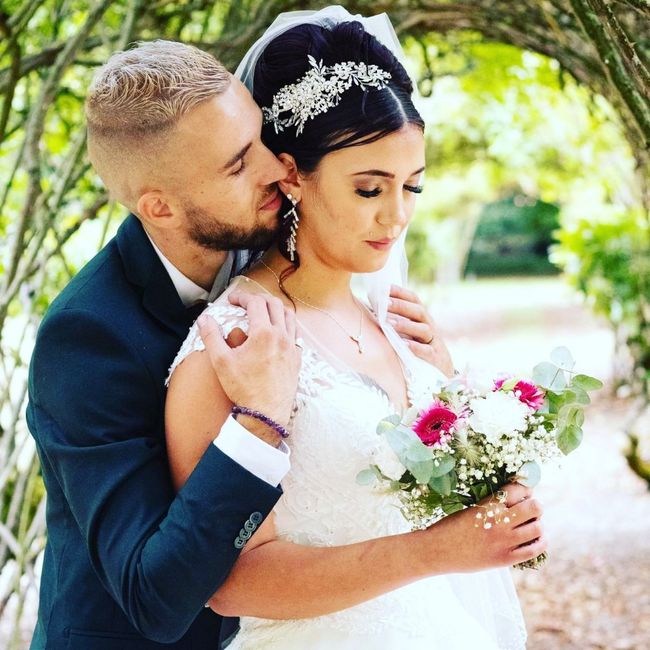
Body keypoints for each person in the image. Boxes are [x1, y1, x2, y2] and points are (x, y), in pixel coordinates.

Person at [25, 35, 454, 650]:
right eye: (237, 164)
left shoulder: (275, 245)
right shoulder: (87, 339)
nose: (277, 168)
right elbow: (152, 595)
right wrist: (258, 421)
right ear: (160, 208)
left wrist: (425, 371)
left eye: (259, 136)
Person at [166, 7, 546, 650]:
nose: (396, 216)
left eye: (412, 188)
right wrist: (433, 551)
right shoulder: (232, 344)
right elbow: (228, 581)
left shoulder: (399, 325)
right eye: (370, 190)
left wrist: (471, 428)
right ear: (292, 175)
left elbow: (433, 502)